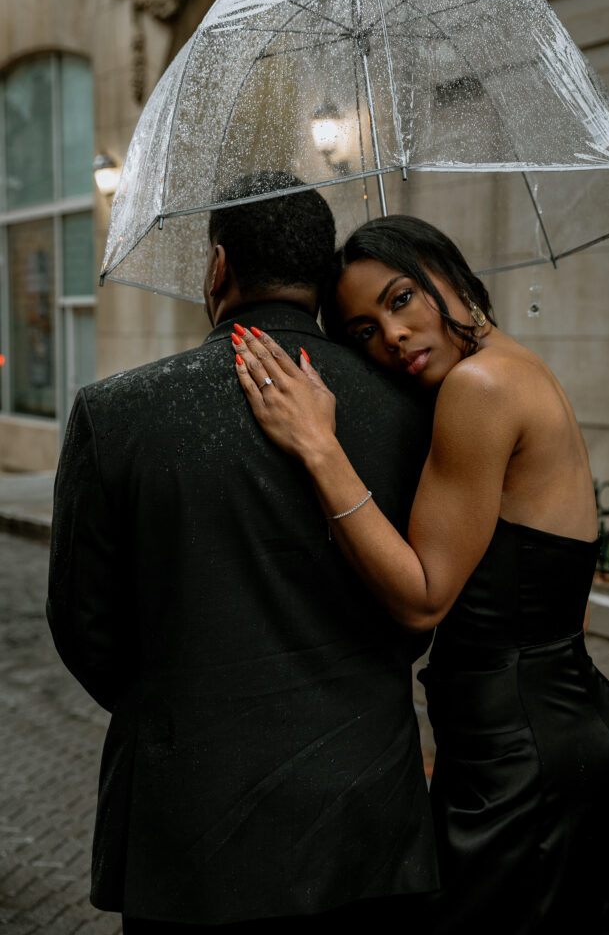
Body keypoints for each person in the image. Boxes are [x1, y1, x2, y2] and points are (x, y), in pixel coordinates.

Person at [46, 180, 440, 934]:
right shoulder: (407, 412)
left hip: (189, 822)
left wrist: (179, 710)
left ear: (217, 266)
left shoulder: (118, 414)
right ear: (324, 280)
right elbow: (414, 618)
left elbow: (83, 626)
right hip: (362, 818)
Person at [233, 214, 609, 935]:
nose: (389, 337)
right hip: (557, 724)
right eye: (361, 332)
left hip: (523, 751)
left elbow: (422, 601)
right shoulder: (516, 366)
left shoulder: (479, 388)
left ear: (446, 275)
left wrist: (317, 448)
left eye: (399, 299)